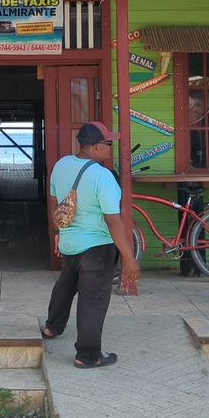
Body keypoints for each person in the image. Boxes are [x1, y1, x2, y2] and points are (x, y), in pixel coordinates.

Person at [41, 122, 140, 369]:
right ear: (96, 147)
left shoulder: (61, 165)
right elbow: (113, 221)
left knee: (66, 283)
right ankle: (87, 355)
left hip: (70, 241)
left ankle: (52, 327)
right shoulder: (102, 177)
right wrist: (129, 257)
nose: (111, 148)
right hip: (98, 247)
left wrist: (57, 232)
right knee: (92, 300)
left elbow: (53, 201)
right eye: (108, 144)